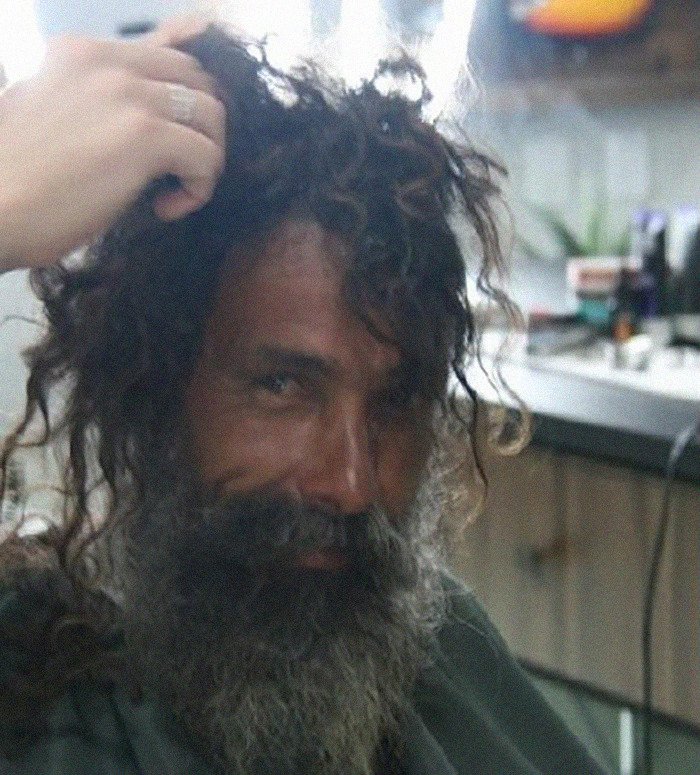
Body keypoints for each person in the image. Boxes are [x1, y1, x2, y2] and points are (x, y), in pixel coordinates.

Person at [0, 20, 609, 775]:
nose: (351, 483)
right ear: (153, 391)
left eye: (396, 401)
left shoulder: (432, 647)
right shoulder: (41, 697)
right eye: (283, 387)